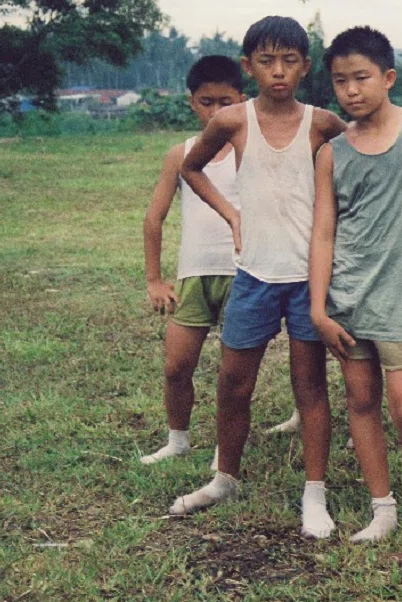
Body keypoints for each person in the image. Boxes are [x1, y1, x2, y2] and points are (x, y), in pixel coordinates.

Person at [167, 16, 347, 541]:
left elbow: (362, 162)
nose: (278, 72)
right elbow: (192, 167)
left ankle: (315, 493)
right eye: (267, 62)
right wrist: (232, 213)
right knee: (231, 383)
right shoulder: (233, 121)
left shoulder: (322, 123)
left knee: (310, 386)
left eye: (290, 61)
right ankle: (225, 477)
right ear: (249, 67)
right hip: (253, 276)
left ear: (306, 67)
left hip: (307, 278)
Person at [310, 25, 402, 543]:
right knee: (361, 401)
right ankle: (382, 507)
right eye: (340, 81)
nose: (351, 90)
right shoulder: (331, 152)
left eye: (362, 77)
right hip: (348, 297)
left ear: (388, 77)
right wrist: (319, 309)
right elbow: (323, 232)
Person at [140, 56, 244, 465]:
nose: (216, 112)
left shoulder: (250, 148)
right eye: (206, 102)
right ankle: (177, 440)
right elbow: (154, 218)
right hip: (194, 276)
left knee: (233, 374)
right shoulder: (180, 154)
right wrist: (154, 279)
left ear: (242, 99)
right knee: (176, 366)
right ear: (191, 103)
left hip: (245, 274)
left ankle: (227, 448)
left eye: (225, 102)